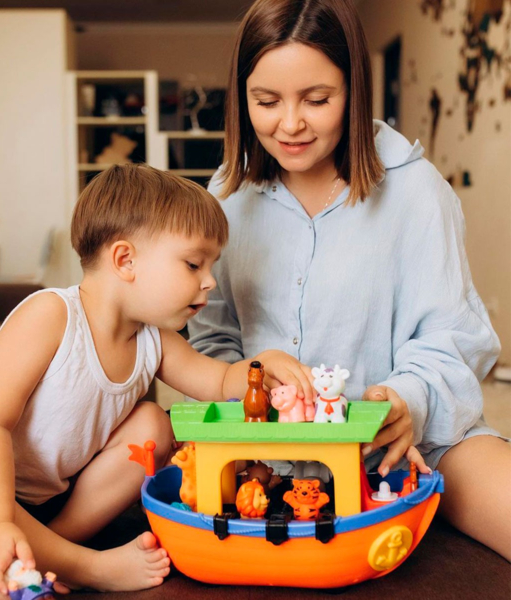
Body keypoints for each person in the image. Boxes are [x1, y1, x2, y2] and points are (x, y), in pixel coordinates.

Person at [188, 0, 510, 560]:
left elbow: (453, 337)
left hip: (409, 443)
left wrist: (407, 400)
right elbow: (210, 341)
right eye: (266, 101)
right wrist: (252, 400)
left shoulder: (416, 191)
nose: (290, 123)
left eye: (317, 100)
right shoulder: (225, 196)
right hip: (260, 449)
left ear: (354, 91)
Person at [0, 164, 317, 600]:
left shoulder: (154, 338)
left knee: (153, 423)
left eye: (211, 265)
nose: (210, 281)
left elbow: (219, 382)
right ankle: (87, 566)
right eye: (193, 264)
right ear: (125, 260)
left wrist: (262, 366)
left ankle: (54, 548)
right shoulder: (50, 316)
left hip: (58, 506)